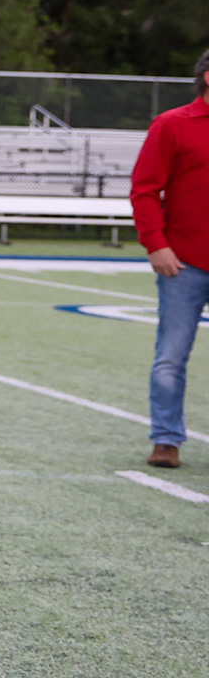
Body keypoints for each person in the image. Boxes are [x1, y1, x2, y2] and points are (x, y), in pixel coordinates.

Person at [129, 47, 209, 469]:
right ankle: (166, 440)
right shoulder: (172, 125)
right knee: (171, 357)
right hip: (185, 263)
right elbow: (144, 188)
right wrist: (155, 244)